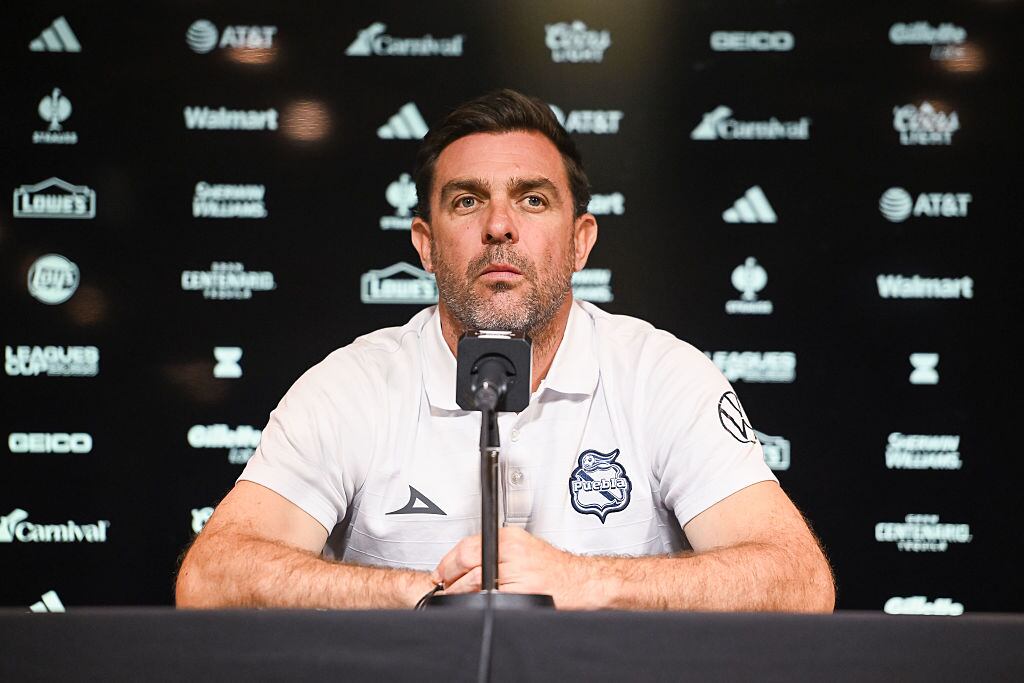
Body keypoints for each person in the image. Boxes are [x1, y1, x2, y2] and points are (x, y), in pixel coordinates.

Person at [175, 89, 835, 612]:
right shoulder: (356, 382)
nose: (498, 226)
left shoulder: (660, 375)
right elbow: (211, 576)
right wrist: (416, 595)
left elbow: (798, 581)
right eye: (467, 201)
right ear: (425, 243)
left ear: (580, 241)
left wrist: (582, 581)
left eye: (532, 199)